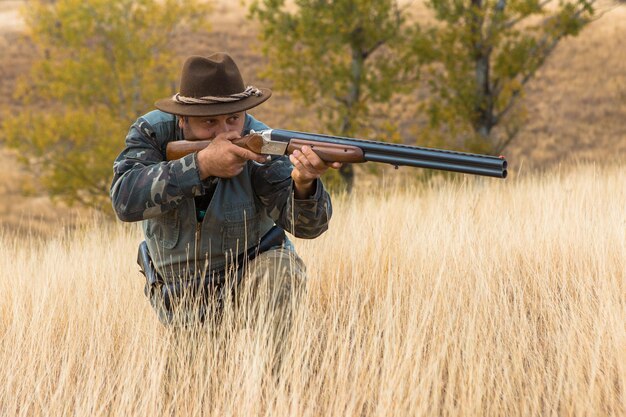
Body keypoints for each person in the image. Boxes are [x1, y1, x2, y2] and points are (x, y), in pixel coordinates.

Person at [110, 53, 339, 327]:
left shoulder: (261, 140)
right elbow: (124, 199)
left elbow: (309, 228)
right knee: (196, 369)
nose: (225, 132)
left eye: (233, 118)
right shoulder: (153, 133)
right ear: (183, 119)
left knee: (280, 271)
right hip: (182, 296)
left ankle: (272, 372)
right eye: (210, 122)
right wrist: (200, 165)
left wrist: (304, 184)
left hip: (251, 272)